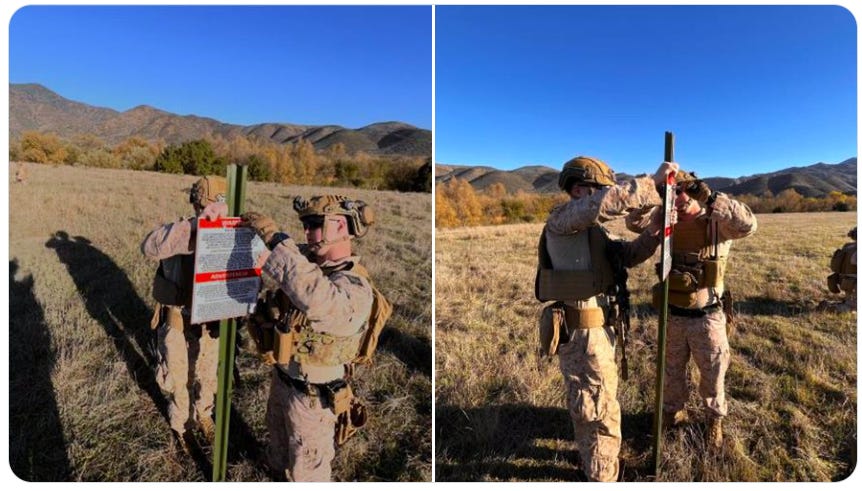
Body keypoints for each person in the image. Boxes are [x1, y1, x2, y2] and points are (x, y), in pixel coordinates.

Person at [535, 156, 677, 482]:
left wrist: (654, 232)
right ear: (581, 189)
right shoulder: (563, 218)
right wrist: (651, 184)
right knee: (597, 409)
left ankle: (599, 460)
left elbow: (626, 256)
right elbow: (604, 204)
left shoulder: (593, 230)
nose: (605, 196)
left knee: (600, 401)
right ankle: (602, 476)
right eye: (601, 190)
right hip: (584, 332)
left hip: (600, 330)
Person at [241, 195, 378, 482]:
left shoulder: (355, 285)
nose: (307, 232)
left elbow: (318, 298)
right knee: (277, 454)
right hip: (283, 380)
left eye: (315, 224)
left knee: (308, 473)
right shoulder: (307, 265)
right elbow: (285, 269)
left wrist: (277, 240)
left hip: (314, 398)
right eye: (305, 224)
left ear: (341, 226)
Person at [629, 171, 757, 449]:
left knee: (712, 372)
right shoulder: (665, 220)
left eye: (685, 191)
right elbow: (633, 222)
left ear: (695, 191)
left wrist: (710, 197)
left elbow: (748, 225)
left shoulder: (717, 222)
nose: (680, 198)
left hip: (707, 315)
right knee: (671, 371)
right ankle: (673, 412)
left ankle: (714, 420)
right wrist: (653, 190)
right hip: (672, 314)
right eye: (673, 193)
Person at [141, 175, 228, 452]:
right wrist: (195, 227)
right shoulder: (179, 232)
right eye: (211, 207)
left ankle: (204, 415)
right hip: (179, 323)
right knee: (180, 380)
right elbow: (150, 246)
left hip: (210, 324)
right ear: (199, 205)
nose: (217, 213)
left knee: (208, 375)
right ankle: (182, 427)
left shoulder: (229, 236)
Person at [824, 227, 857, 313]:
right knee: (852, 309)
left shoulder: (848, 246)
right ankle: (828, 308)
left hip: (848, 283)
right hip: (854, 285)